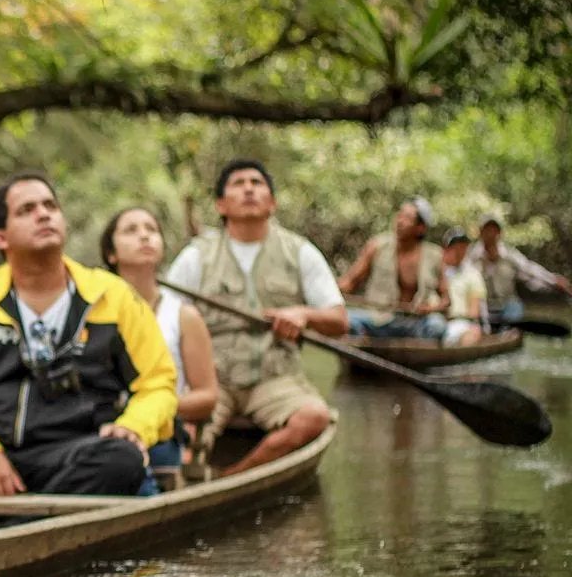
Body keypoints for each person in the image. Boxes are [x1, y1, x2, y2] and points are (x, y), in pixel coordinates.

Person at [0, 173, 177, 498]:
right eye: (27, 210)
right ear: (1, 238)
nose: (43, 214)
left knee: (122, 459)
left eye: (50, 206)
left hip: (80, 454)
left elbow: (158, 383)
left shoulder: (113, 296)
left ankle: (0, 525)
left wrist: (133, 427)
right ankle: (5, 520)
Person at [164, 160, 347, 476]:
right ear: (221, 205)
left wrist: (303, 314)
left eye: (256, 182)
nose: (248, 188)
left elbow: (339, 321)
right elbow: (164, 321)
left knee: (315, 418)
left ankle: (234, 477)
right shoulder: (196, 256)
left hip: (275, 377)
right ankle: (186, 472)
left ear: (272, 202)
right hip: (211, 378)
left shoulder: (300, 252)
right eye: (237, 183)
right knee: (169, 424)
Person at [99, 206, 219, 491]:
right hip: (101, 425)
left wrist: (150, 407)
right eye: (131, 230)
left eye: (151, 230)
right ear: (111, 254)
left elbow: (207, 396)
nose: (144, 237)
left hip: (159, 431)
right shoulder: (93, 310)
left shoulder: (183, 316)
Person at [337, 197, 449, 340]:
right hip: (378, 319)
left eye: (407, 218)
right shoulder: (377, 246)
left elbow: (446, 300)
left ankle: (417, 356)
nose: (400, 221)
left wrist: (430, 309)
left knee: (437, 325)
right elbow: (350, 282)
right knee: (345, 320)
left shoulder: (435, 255)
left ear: (421, 228)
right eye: (400, 215)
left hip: (415, 323)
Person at [466, 214, 572, 327]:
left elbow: (530, 269)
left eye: (494, 230)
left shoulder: (510, 255)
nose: (491, 234)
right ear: (481, 233)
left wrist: (553, 280)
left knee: (514, 311)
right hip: (483, 304)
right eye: (487, 230)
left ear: (499, 233)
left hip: (507, 303)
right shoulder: (472, 256)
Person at [439, 227, 488, 347]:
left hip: (463, 323)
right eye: (455, 247)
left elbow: (474, 310)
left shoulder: (472, 274)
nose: (459, 251)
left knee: (468, 335)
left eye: (463, 247)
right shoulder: (438, 271)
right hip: (438, 322)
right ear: (446, 249)